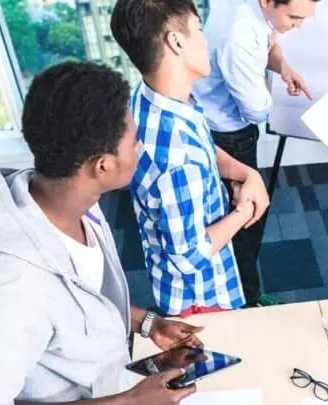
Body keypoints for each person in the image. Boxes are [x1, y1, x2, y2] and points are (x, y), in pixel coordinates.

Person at [0, 62, 204, 405]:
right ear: (102, 166)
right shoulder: (5, 288)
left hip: (109, 382)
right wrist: (128, 403)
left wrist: (147, 323)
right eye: (134, 141)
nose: (140, 149)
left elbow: (83, 298)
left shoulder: (72, 201)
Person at [110, 0, 270, 317]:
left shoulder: (152, 97)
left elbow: (204, 145)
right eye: (199, 28)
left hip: (186, 285)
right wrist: (245, 209)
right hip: (201, 302)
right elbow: (189, 257)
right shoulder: (175, 160)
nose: (206, 39)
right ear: (176, 41)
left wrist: (246, 174)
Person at [191, 0, 320, 306]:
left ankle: (243, 292)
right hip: (229, 135)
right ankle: (246, 300)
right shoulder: (238, 36)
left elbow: (268, 43)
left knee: (243, 215)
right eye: (293, 17)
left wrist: (283, 67)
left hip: (219, 123)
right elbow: (257, 110)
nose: (298, 26)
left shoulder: (252, 11)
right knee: (245, 222)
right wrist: (262, 86)